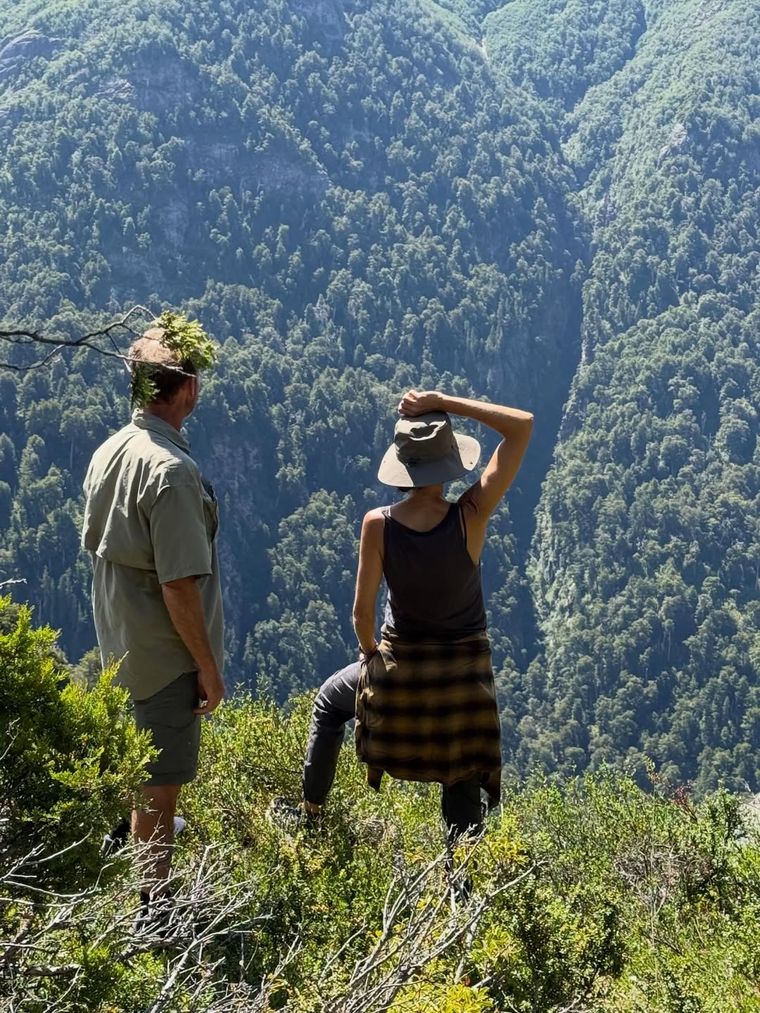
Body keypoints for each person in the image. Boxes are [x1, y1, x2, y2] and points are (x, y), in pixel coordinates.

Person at [293, 388, 533, 840]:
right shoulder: (471, 516)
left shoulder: (378, 524)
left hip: (400, 672)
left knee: (328, 703)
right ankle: (462, 879)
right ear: (450, 463)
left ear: (402, 466)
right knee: (460, 772)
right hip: (462, 683)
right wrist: (444, 402)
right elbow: (521, 426)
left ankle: (312, 817)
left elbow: (362, 616)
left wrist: (371, 658)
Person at [81, 325, 224, 910]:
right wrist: (206, 667)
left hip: (119, 640)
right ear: (186, 387)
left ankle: (132, 871)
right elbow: (179, 584)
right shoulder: (172, 472)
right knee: (159, 790)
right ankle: (153, 915)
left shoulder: (109, 450)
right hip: (164, 655)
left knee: (140, 769)